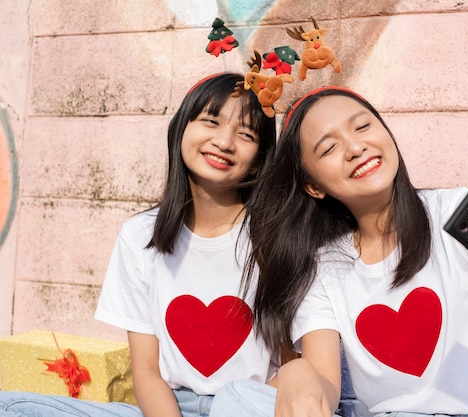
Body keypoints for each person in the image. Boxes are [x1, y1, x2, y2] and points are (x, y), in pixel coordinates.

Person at [208, 86, 468, 417]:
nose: (355, 147)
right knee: (235, 401)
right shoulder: (322, 265)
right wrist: (296, 373)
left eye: (363, 126)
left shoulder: (458, 212)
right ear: (313, 186)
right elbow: (324, 387)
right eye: (328, 148)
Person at [0, 72, 277, 417]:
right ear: (181, 128)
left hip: (251, 407)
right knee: (10, 407)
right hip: (172, 408)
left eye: (246, 133)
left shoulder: (276, 235)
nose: (224, 141)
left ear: (261, 156)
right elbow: (146, 370)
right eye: (210, 121)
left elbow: (295, 368)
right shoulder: (140, 236)